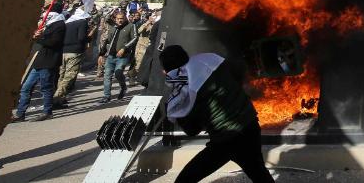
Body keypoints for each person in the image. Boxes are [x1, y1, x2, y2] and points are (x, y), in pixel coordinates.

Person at [160, 46, 274, 183]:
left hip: (226, 140)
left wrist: (173, 109)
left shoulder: (184, 91)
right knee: (259, 174)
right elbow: (238, 72)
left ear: (167, 71)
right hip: (250, 125)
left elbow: (192, 130)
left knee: (185, 179)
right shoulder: (209, 60)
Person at [13, 2, 67, 122]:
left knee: (46, 87)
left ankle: (47, 112)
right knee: (26, 87)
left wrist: (39, 38)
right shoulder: (50, 24)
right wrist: (39, 34)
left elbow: (54, 42)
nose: (46, 14)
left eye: (49, 11)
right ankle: (20, 113)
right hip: (40, 61)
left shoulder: (60, 25)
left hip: (49, 61)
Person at [53, 7, 91, 109]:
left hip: (64, 51)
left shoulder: (69, 22)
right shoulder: (82, 22)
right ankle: (56, 98)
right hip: (75, 52)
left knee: (62, 75)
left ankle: (60, 98)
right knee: (69, 76)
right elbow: (81, 37)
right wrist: (89, 37)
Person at [99, 11, 135, 103]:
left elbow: (135, 38)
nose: (120, 20)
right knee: (107, 75)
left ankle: (123, 87)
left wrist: (124, 48)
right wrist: (101, 54)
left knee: (118, 73)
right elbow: (107, 41)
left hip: (122, 56)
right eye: (118, 19)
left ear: (125, 18)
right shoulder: (113, 27)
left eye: (121, 18)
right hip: (111, 56)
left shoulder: (130, 26)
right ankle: (106, 96)